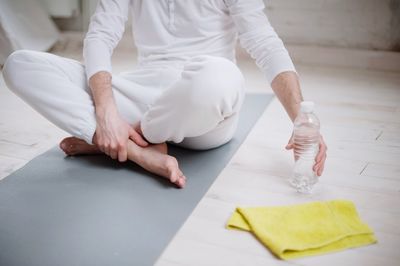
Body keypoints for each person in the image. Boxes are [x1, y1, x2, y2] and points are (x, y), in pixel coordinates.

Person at [2, 0, 327, 188]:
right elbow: (100, 35)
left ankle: (127, 140)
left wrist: (301, 118)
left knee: (218, 77)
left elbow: (265, 44)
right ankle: (142, 152)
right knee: (20, 64)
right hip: (144, 92)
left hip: (204, 110)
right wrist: (106, 111)